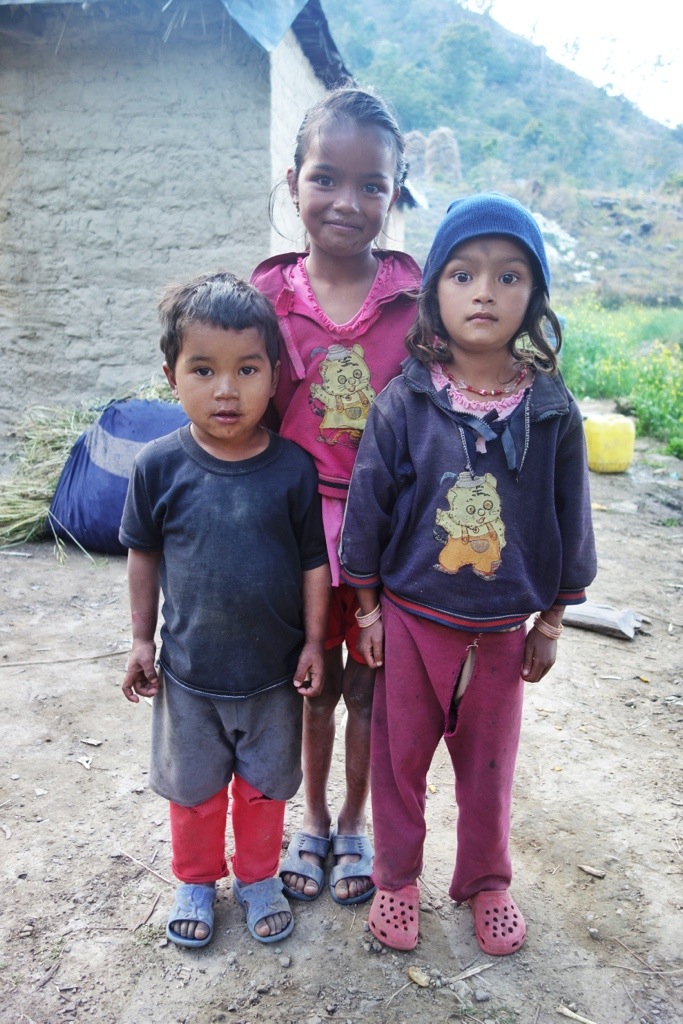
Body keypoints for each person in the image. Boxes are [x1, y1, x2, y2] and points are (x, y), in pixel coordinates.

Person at [339, 192, 597, 954]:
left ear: (534, 296)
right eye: (462, 274)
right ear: (433, 293)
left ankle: (485, 880)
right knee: (398, 761)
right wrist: (366, 610)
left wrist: (551, 621)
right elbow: (367, 509)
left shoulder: (550, 410)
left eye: (508, 276)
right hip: (412, 620)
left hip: (501, 632)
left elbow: (570, 516)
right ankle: (395, 877)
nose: (484, 292)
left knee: (489, 769)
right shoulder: (404, 402)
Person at [119, 271, 330, 948]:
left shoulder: (293, 470)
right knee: (194, 790)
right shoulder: (157, 467)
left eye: (247, 369)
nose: (227, 390)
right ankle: (195, 879)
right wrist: (141, 642)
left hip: (273, 675)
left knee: (264, 787)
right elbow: (143, 557)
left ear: (275, 375)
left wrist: (314, 642)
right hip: (189, 674)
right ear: (171, 377)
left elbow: (314, 563)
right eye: (204, 369)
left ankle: (259, 876)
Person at [251, 86, 421, 906]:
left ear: (395, 194)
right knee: (313, 683)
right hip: (297, 536)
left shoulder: (417, 306)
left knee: (370, 688)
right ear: (294, 184)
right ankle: (312, 819)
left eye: (370, 185)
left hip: (386, 533)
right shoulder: (267, 301)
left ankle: (356, 819)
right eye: (325, 178)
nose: (346, 202)